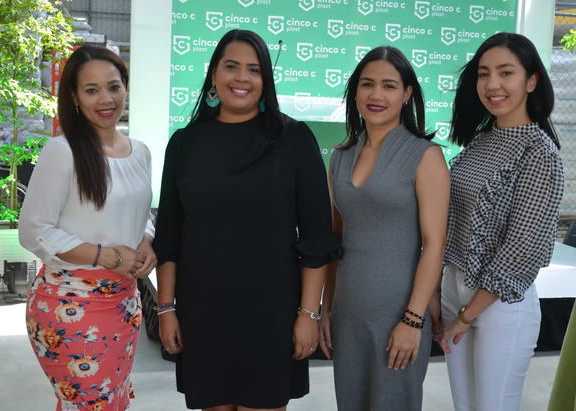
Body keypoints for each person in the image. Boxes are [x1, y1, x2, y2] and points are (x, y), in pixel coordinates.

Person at [152, 29, 340, 411]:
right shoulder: (185, 144)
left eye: (253, 70)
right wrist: (166, 309)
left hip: (272, 313)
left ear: (265, 80)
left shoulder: (293, 139)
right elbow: (169, 235)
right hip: (202, 311)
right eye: (231, 67)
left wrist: (309, 314)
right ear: (213, 75)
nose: (241, 78)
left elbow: (318, 238)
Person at [19, 45, 156, 410]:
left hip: (125, 302)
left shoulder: (140, 151)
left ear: (126, 87)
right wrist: (107, 255)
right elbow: (33, 230)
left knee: (112, 403)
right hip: (69, 303)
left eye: (113, 86)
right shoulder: (62, 151)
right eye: (91, 90)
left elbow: (141, 214)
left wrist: (147, 241)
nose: (105, 99)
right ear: (75, 98)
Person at [436, 32, 564, 411]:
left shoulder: (540, 153)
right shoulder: (481, 140)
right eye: (483, 73)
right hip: (453, 292)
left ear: (531, 81)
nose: (492, 85)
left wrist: (465, 315)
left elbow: (523, 248)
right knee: (465, 405)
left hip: (500, 303)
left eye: (506, 73)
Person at [318, 46, 450, 411]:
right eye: (367, 84)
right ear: (355, 92)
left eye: (389, 86)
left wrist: (412, 319)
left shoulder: (425, 156)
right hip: (348, 314)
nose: (376, 95)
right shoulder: (340, 156)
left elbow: (434, 245)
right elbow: (336, 240)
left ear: (407, 94)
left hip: (399, 315)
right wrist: (326, 310)